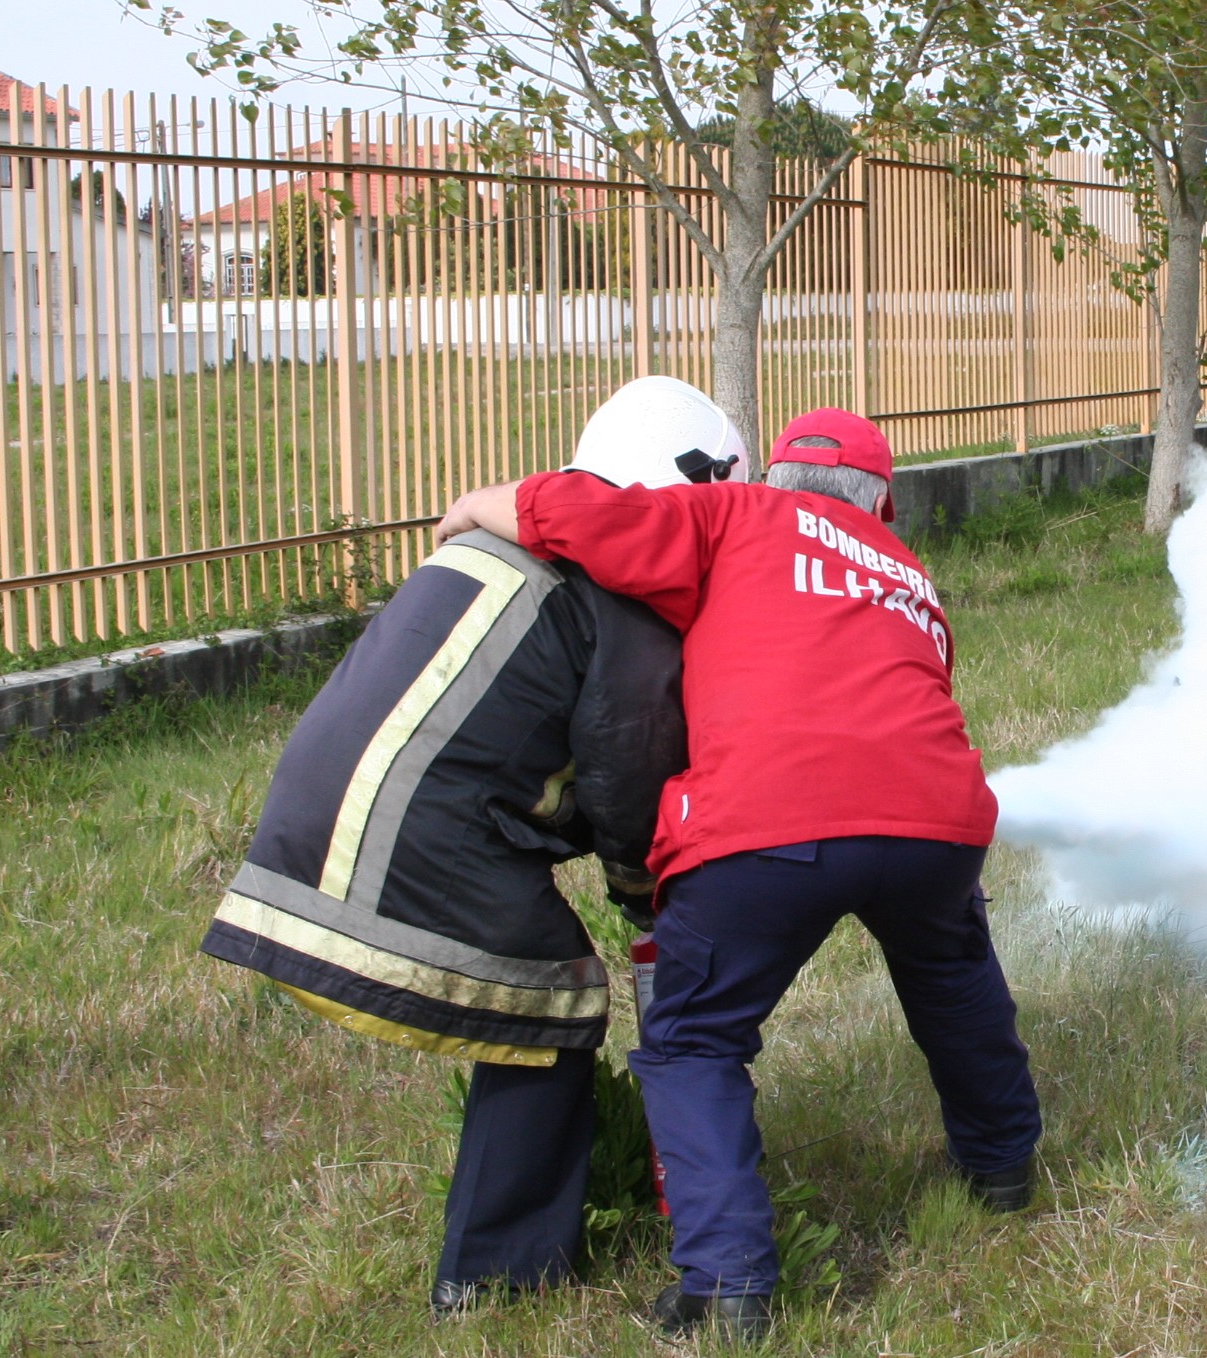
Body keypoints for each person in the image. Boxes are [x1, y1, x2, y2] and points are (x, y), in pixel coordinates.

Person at [435, 408, 1042, 1342]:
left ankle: (728, 1286)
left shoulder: (735, 513)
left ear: (772, 477)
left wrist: (477, 505)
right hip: (933, 821)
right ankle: (1003, 1170)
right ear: (883, 499)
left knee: (693, 1040)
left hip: (765, 826)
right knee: (955, 983)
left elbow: (601, 517)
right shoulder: (909, 574)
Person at [201, 376, 745, 1316]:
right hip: (406, 834)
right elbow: (623, 772)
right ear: (684, 485)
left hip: (305, 826)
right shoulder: (616, 591)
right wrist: (648, 898)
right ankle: (497, 1282)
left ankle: (503, 1261)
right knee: (553, 1004)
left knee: (530, 993)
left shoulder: (492, 543)